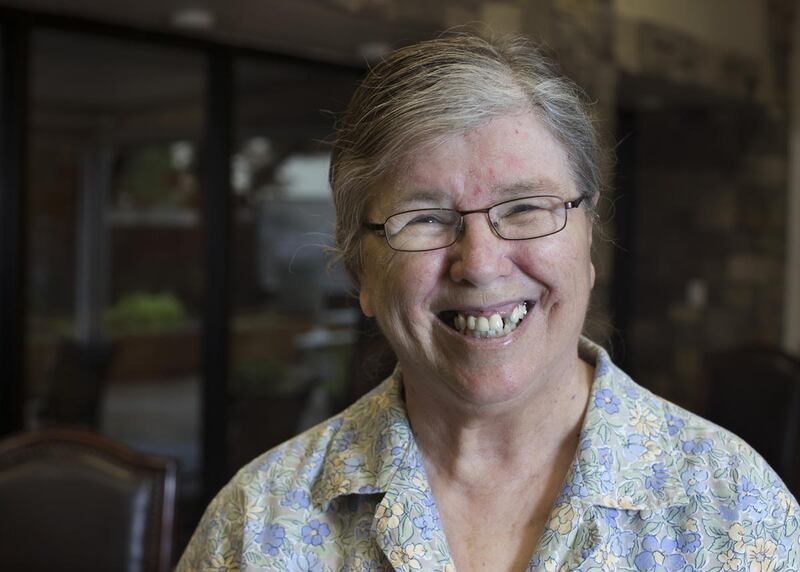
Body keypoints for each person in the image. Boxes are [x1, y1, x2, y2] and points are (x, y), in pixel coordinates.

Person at [177, 33, 800, 571]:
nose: (479, 263)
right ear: (361, 271)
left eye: (525, 208)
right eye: (425, 218)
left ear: (588, 241)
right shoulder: (255, 526)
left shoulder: (737, 511)